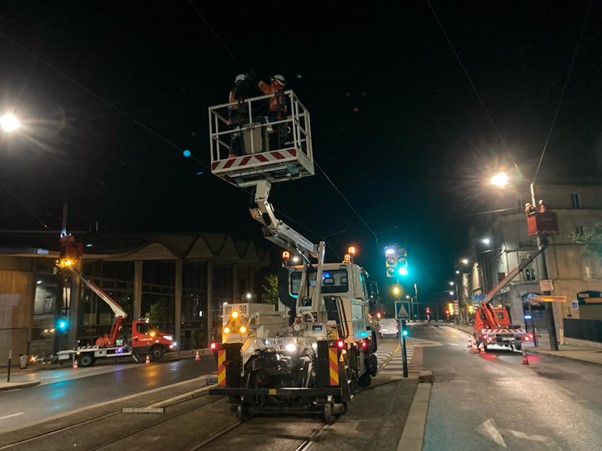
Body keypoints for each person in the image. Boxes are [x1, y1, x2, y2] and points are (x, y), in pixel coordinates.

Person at [227, 73, 261, 158]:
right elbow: (235, 104)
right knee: (236, 138)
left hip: (238, 119)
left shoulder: (242, 92)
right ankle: (232, 157)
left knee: (241, 139)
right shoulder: (235, 91)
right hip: (235, 119)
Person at [258, 74, 289, 149]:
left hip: (278, 116)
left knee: (278, 137)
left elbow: (284, 108)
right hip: (272, 116)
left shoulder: (281, 94)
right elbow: (261, 86)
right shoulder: (270, 89)